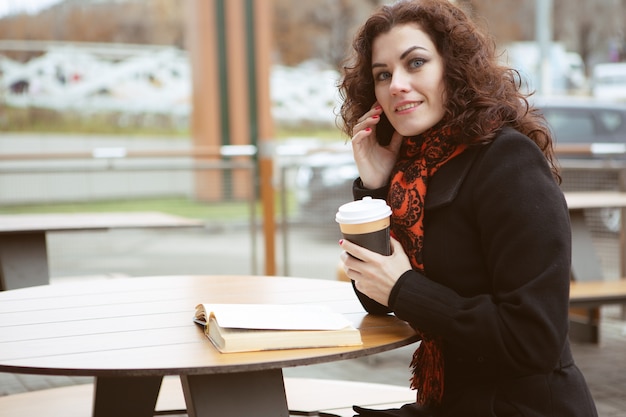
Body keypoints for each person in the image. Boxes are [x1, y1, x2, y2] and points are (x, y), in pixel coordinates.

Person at [336, 1, 598, 416]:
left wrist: (404, 288)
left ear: (453, 69)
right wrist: (375, 187)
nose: (396, 84)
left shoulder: (508, 162)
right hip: (451, 402)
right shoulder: (414, 172)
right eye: (383, 74)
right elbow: (375, 297)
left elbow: (534, 339)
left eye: (415, 63)